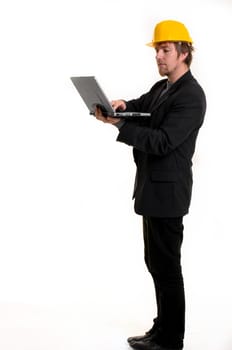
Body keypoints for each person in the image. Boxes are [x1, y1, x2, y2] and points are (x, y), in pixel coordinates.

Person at [94, 19, 206, 350]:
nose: (158, 55)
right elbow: (142, 106)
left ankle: (171, 339)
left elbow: (162, 141)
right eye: (157, 49)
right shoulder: (163, 88)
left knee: (168, 266)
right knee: (155, 262)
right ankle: (161, 328)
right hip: (152, 189)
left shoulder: (191, 96)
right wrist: (122, 108)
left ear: (184, 53)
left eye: (165, 49)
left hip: (169, 193)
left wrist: (118, 126)